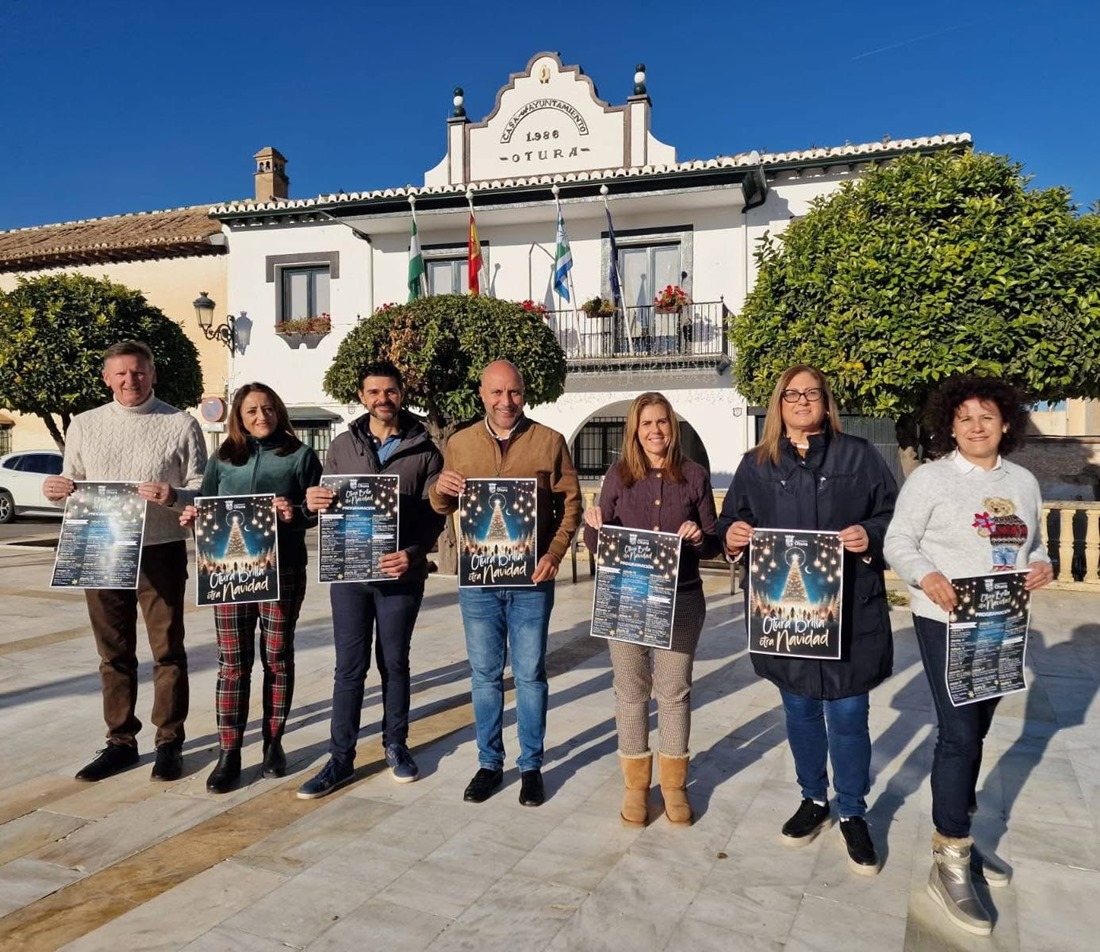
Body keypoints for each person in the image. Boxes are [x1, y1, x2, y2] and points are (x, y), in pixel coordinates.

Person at [884, 375, 1053, 936]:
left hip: (1002, 620)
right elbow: (898, 541)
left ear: (1005, 422)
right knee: (957, 733)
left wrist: (1043, 565)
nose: (976, 426)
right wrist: (926, 575)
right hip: (946, 620)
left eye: (986, 416)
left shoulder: (1024, 482)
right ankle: (950, 854)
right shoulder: (931, 479)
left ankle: (962, 832)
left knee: (977, 731)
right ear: (949, 426)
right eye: (964, 418)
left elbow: (1036, 545)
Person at [717, 365, 896, 875]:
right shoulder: (757, 463)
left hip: (848, 615)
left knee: (847, 716)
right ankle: (813, 798)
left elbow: (892, 516)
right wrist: (733, 538)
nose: (801, 401)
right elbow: (732, 521)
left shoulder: (858, 456)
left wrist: (870, 534)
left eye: (811, 393)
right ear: (778, 404)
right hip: (787, 618)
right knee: (799, 713)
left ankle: (854, 811)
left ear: (825, 401)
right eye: (791, 394)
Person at [42, 340, 207, 782]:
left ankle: (169, 740)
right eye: (121, 373)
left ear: (152, 374)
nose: (130, 380)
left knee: (167, 650)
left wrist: (176, 496)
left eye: (138, 372)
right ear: (106, 377)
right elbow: (71, 482)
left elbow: (201, 486)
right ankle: (120, 741)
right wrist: (57, 491)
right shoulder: (84, 424)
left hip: (160, 550)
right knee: (113, 652)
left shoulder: (181, 423)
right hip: (100, 544)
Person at [430, 359, 582, 807]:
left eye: (513, 392)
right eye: (496, 393)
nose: (505, 402)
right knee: (484, 675)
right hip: (478, 583)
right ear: (482, 394)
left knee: (531, 674)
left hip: (531, 580)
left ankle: (531, 765)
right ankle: (489, 763)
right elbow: (441, 505)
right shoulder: (459, 444)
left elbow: (569, 505)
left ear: (524, 393)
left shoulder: (549, 442)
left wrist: (554, 554)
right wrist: (442, 488)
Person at [297, 362, 446, 799]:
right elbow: (321, 505)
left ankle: (395, 745)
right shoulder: (342, 445)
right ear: (363, 397)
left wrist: (414, 554)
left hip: (400, 575)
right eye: (374, 392)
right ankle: (340, 758)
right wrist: (313, 502)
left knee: (394, 663)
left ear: (402, 393)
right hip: (350, 575)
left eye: (390, 391)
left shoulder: (426, 449)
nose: (383, 399)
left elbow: (434, 516)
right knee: (349, 667)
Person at [582, 392, 719, 826]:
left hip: (682, 599)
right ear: (634, 431)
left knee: (675, 693)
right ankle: (636, 786)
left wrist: (699, 536)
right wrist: (593, 529)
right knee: (630, 691)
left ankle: (675, 786)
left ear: (672, 427)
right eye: (646, 424)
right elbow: (597, 544)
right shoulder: (619, 476)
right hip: (627, 598)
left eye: (662, 422)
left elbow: (714, 540)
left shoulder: (694, 476)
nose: (655, 430)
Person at [180, 383, 321, 794]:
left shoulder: (299, 455)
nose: (261, 416)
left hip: (283, 570)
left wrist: (294, 512)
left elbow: (318, 512)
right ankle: (230, 751)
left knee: (277, 657)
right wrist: (193, 517)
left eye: (268, 409)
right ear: (238, 418)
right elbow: (206, 504)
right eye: (251, 411)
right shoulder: (223, 458)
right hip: (228, 573)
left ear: (278, 410)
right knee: (233, 663)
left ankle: (274, 741)